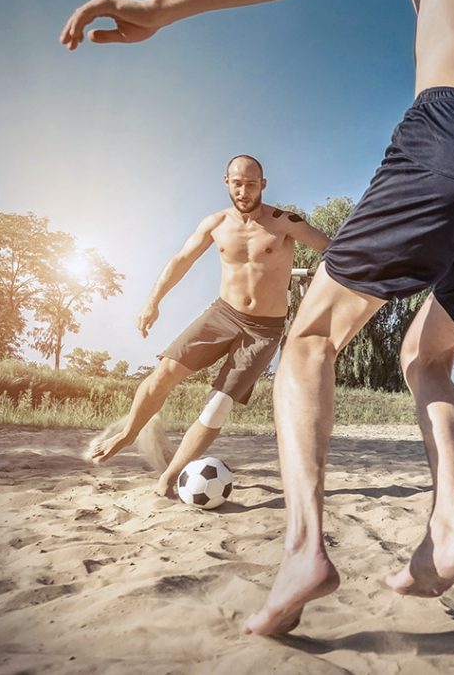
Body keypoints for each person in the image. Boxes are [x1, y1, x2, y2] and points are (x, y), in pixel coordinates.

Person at [62, 0, 454, 636]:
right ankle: (448, 532)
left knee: (310, 338)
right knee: (428, 358)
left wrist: (162, 7)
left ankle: (303, 552)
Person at [85, 155, 332, 500]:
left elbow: (333, 251)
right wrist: (152, 302)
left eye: (250, 183)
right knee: (163, 373)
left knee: (217, 405)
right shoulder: (215, 223)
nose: (243, 190)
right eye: (237, 183)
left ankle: (170, 477)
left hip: (264, 329)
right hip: (223, 314)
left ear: (263, 184)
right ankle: (127, 434)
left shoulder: (285, 222)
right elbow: (181, 260)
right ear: (226, 183)